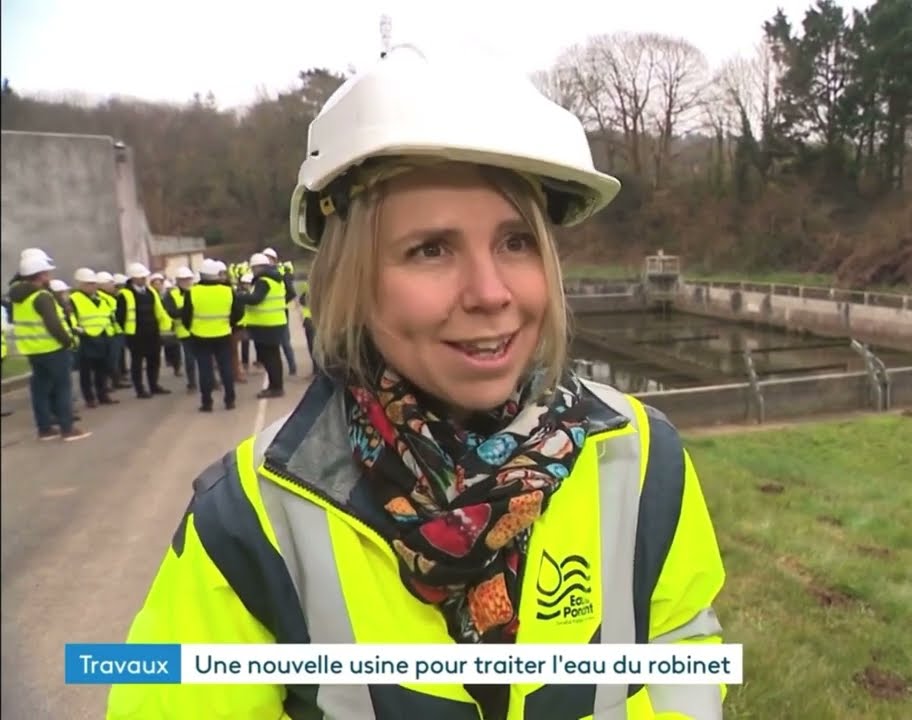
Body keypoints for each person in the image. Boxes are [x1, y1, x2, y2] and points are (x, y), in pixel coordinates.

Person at [108, 43, 726, 719]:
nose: (491, 293)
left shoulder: (640, 458)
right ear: (354, 281)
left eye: (516, 242)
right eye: (430, 249)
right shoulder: (254, 518)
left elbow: (681, 662)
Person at [8, 251, 90, 441]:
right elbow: (53, 324)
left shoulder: (18, 296)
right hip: (52, 349)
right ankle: (67, 429)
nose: (49, 276)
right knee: (62, 388)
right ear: (41, 275)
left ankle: (44, 429)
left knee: (40, 389)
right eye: (47, 272)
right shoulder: (42, 296)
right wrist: (68, 341)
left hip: (32, 349)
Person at [182, 259, 244, 412]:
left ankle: (207, 403)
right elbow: (239, 312)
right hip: (222, 334)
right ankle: (230, 400)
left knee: (205, 370)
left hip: (200, 336)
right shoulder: (227, 291)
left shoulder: (192, 292)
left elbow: (186, 315)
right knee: (226, 368)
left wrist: (191, 327)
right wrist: (229, 323)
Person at [115, 263, 173, 398]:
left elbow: (159, 310)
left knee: (154, 360)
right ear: (133, 278)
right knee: (137, 363)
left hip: (152, 332)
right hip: (135, 334)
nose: (143, 279)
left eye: (144, 277)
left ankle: (154, 385)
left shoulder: (150, 291)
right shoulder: (125, 294)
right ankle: (140, 389)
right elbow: (120, 315)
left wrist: (165, 326)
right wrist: (127, 331)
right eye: (140, 277)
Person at [240, 253, 291, 398]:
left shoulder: (263, 281)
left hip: (266, 324)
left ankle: (275, 387)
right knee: (273, 356)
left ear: (257, 267)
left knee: (270, 358)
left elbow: (256, 299)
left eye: (253, 268)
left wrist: (239, 296)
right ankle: (275, 386)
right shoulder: (276, 279)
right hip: (275, 322)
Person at [68, 268, 117, 408]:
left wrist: (110, 333)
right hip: (86, 339)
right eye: (88, 283)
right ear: (80, 284)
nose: (92, 286)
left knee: (102, 369)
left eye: (93, 283)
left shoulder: (101, 299)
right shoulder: (74, 299)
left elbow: (108, 317)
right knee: (86, 372)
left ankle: (103, 395)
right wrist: (80, 331)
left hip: (103, 337)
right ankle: (89, 398)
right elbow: (71, 319)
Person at [262, 247, 299, 376]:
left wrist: (280, 303)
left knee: (284, 341)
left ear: (274, 260)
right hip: (267, 314)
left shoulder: (282, 274)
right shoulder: (262, 276)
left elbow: (291, 292)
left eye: (268, 258)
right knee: (271, 344)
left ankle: (292, 366)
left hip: (281, 312)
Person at [164, 267, 199, 391]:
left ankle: (212, 381)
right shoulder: (171, 295)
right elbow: (172, 312)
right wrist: (189, 310)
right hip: (184, 331)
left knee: (205, 358)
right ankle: (192, 383)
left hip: (201, 329)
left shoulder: (198, 291)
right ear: (177, 281)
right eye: (183, 280)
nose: (186, 282)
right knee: (190, 359)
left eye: (188, 279)